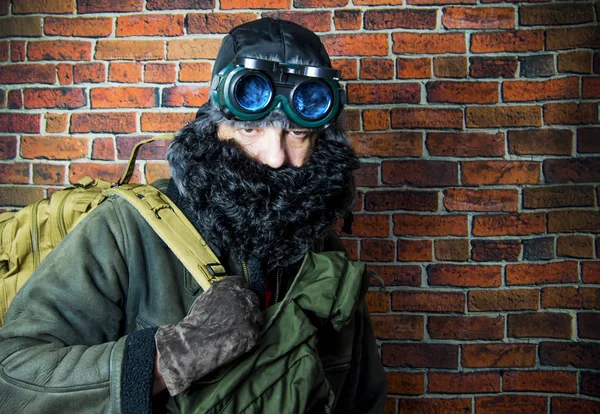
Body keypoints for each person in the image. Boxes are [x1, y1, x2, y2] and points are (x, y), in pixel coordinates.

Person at [0, 18, 387, 413]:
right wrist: (171, 356)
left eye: (297, 134)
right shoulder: (127, 231)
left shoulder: (322, 253)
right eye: (251, 128)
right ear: (216, 125)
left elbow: (362, 398)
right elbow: (13, 379)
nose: (275, 157)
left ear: (322, 135)